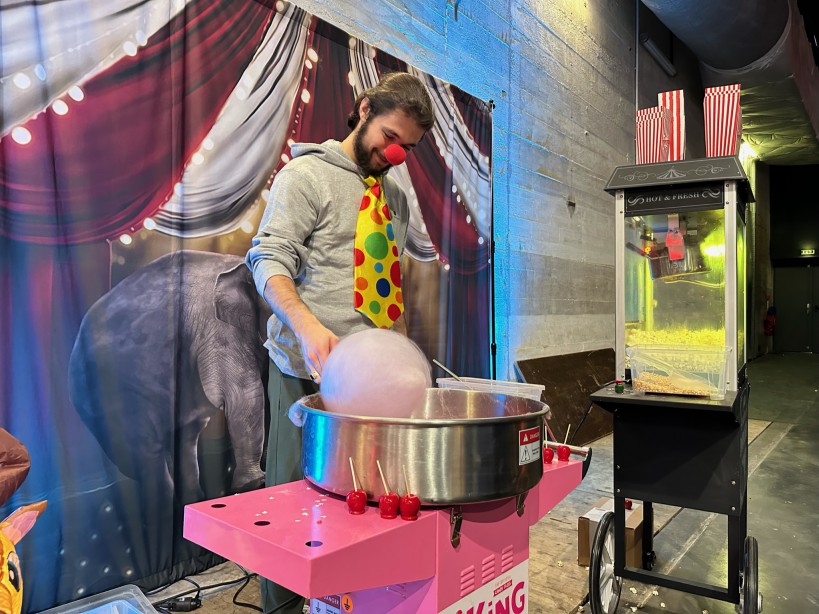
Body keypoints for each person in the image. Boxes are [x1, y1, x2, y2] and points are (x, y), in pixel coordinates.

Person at [245, 71, 434, 613]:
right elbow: (268, 261)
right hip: (306, 375)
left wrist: (401, 358)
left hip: (371, 388)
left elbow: (387, 285)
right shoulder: (304, 176)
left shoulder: (392, 194)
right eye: (391, 137)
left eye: (409, 147)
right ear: (365, 107)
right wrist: (309, 329)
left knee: (360, 510)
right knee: (292, 507)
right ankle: (282, 607)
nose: (396, 154)